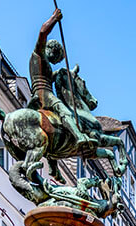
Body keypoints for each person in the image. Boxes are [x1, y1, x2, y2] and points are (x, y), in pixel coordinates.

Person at [29, 9, 96, 151]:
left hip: (37, 95)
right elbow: (42, 33)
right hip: (44, 94)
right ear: (52, 50)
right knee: (64, 111)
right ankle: (79, 136)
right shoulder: (39, 54)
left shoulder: (42, 66)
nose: (54, 62)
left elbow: (54, 75)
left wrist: (66, 73)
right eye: (56, 59)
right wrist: (54, 18)